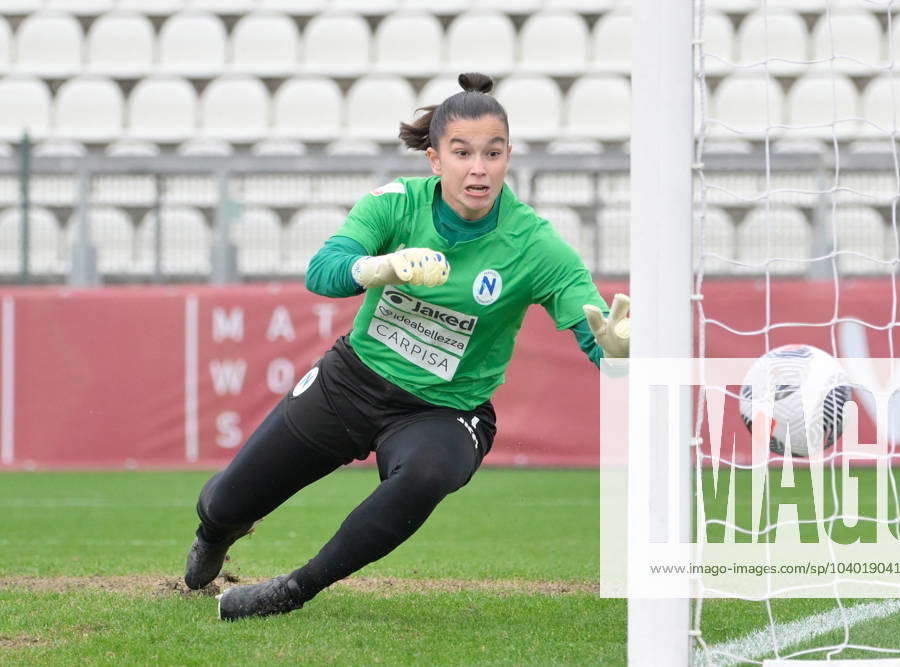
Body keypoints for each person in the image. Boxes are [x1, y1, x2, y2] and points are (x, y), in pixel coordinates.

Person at [185, 72, 631, 621]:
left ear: (509, 157)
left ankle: (294, 590)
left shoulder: (535, 244)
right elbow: (321, 272)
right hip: (350, 383)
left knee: (425, 474)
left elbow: (593, 326)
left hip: (444, 411)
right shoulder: (395, 205)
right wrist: (382, 266)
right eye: (462, 152)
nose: (479, 168)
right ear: (435, 159)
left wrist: (618, 351)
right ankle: (213, 538)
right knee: (228, 502)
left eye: (493, 153)